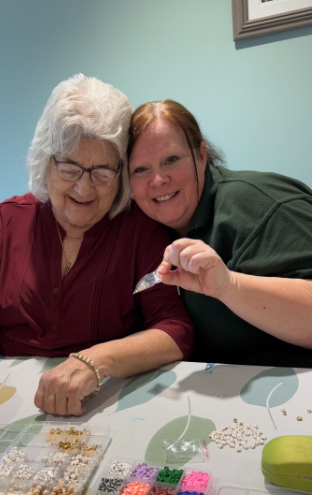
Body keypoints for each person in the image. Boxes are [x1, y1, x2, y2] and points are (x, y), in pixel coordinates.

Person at [0, 77, 194, 438]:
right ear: (45, 161)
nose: (84, 188)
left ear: (121, 172)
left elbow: (173, 329)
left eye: (103, 171)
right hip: (3, 403)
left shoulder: (141, 230)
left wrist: (97, 361)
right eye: (69, 168)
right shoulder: (7, 220)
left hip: (102, 403)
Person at [128, 99, 312, 368]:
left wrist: (229, 286)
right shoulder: (144, 228)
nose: (158, 180)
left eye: (171, 160)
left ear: (201, 156)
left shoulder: (262, 206)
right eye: (140, 169)